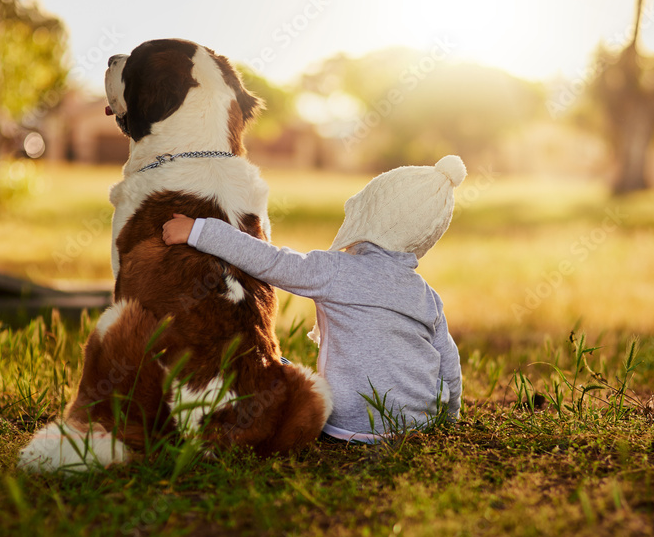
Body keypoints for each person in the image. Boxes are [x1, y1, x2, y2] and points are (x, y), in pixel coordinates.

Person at [162, 155, 466, 444]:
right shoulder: (426, 295)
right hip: (420, 424)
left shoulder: (336, 270)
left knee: (274, 366)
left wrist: (199, 230)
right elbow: (449, 364)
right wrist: (448, 419)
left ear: (371, 214)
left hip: (350, 425)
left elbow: (270, 261)